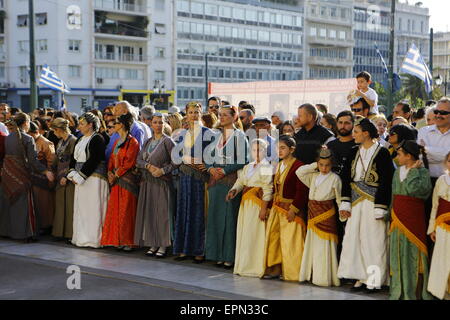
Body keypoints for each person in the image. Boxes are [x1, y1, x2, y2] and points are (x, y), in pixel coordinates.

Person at [338, 118, 394, 293]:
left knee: (374, 242)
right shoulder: (354, 151)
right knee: (354, 240)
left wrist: (381, 206)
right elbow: (345, 177)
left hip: (373, 203)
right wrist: (345, 202)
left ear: (366, 133)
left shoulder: (382, 153)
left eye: (356, 132)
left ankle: (375, 280)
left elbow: (386, 181)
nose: (353, 135)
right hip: (355, 203)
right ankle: (360, 277)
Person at [389, 140, 433, 300]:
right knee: (397, 253)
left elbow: (414, 190)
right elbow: (393, 195)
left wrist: (414, 171)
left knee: (413, 254)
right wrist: (390, 215)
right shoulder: (396, 172)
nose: (397, 157)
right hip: (397, 218)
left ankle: (413, 292)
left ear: (409, 156)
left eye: (400, 154)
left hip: (413, 219)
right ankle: (398, 291)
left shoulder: (423, 173)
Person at [205, 106, 248, 269]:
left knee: (229, 219)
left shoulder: (239, 136)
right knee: (215, 217)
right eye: (220, 115)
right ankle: (216, 254)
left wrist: (224, 169)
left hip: (230, 182)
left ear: (234, 116)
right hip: (215, 182)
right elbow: (207, 156)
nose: (221, 117)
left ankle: (228, 255)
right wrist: (210, 168)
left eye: (225, 115)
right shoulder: (217, 136)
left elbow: (244, 159)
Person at [0, 112, 54, 241]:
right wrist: (46, 172)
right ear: (25, 123)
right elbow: (33, 162)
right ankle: (25, 234)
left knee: (9, 204)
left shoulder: (8, 138)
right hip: (22, 176)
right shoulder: (28, 139)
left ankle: (7, 232)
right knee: (23, 206)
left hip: (8, 175)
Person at [263, 135, 309, 281]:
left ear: (292, 149)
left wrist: (294, 209)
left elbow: (302, 190)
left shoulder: (298, 166)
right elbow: (273, 188)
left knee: (291, 241)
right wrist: (269, 207)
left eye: (282, 148)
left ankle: (292, 272)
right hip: (277, 209)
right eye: (277, 148)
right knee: (274, 240)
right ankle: (276, 269)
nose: (279, 151)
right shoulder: (277, 165)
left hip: (290, 210)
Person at [172, 102, 213, 263]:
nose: (194, 115)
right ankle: (183, 249)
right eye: (191, 112)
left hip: (199, 179)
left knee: (198, 213)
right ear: (186, 114)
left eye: (197, 112)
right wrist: (185, 159)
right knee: (184, 211)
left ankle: (198, 250)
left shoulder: (208, 133)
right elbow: (176, 156)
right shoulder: (182, 134)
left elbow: (214, 156)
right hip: (184, 178)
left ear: (201, 113)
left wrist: (205, 164)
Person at [296, 149, 342, 287]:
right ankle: (310, 274)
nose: (324, 168)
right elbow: (299, 172)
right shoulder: (313, 176)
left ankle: (324, 278)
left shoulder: (335, 178)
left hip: (327, 214)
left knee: (325, 246)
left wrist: (344, 214)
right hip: (312, 214)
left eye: (327, 165)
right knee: (312, 244)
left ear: (332, 164)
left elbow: (339, 200)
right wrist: (313, 166)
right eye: (321, 165)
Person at [228, 139, 273, 277]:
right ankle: (244, 265)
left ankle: (255, 267)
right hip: (246, 205)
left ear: (265, 151)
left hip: (257, 206)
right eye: (254, 150)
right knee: (245, 234)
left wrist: (264, 208)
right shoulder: (248, 167)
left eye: (260, 150)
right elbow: (241, 181)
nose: (257, 153)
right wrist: (234, 190)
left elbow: (268, 188)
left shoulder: (266, 167)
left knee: (255, 235)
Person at [134, 113, 176, 258]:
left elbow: (176, 161)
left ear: (165, 124)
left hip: (162, 182)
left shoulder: (168, 141)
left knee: (162, 213)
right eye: (155, 122)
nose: (158, 125)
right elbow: (138, 160)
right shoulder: (147, 142)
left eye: (160, 122)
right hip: (148, 182)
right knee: (150, 213)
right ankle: (153, 243)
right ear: (151, 124)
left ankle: (163, 245)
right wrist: (148, 166)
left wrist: (162, 170)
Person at [67, 113, 109, 248]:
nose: (79, 126)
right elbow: (73, 158)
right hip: (81, 178)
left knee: (93, 209)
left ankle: (93, 240)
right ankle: (80, 238)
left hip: (93, 179)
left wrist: (80, 176)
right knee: (81, 209)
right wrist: (72, 173)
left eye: (82, 124)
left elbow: (95, 159)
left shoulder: (98, 139)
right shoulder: (80, 139)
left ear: (90, 125)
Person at [101, 114, 140, 251]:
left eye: (116, 123)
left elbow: (130, 162)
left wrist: (115, 174)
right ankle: (117, 240)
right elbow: (111, 159)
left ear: (122, 125)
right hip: (116, 181)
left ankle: (128, 241)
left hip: (126, 180)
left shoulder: (133, 142)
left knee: (127, 210)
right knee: (116, 211)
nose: (113, 125)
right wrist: (109, 172)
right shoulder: (117, 141)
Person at [427, 152, 450, 300]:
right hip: (442, 227)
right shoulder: (441, 180)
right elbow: (435, 205)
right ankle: (441, 292)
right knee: (441, 259)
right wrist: (432, 228)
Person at [50, 118, 77, 241]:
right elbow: (56, 158)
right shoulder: (60, 142)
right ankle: (59, 232)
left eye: (54, 130)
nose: (53, 133)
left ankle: (69, 234)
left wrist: (67, 176)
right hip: (59, 175)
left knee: (69, 205)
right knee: (60, 204)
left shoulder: (73, 141)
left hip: (69, 176)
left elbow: (74, 161)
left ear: (58, 130)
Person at [28, 121, 56, 234]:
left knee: (45, 203)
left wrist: (48, 175)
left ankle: (47, 226)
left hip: (44, 178)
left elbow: (52, 161)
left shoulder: (46, 143)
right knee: (37, 203)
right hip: (33, 177)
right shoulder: (31, 142)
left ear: (34, 132)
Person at [417, 97, 450, 181]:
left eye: (443, 112)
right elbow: (419, 156)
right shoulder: (423, 131)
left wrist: (425, 149)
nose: (438, 115)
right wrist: (444, 154)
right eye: (436, 112)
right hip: (425, 182)